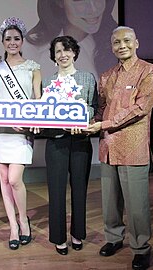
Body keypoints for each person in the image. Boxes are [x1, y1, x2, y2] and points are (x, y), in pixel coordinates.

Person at [85, 26, 153, 270]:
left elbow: (140, 108)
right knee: (110, 202)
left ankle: (141, 248)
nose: (122, 45)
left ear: (136, 43)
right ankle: (114, 238)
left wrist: (102, 124)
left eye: (127, 41)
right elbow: (101, 108)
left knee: (136, 205)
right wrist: (86, 121)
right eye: (117, 42)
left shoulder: (149, 72)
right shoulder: (106, 75)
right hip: (108, 147)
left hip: (133, 148)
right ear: (111, 46)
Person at [40, 36, 97, 255]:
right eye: (58, 51)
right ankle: (58, 238)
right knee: (56, 191)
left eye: (67, 50)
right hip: (56, 142)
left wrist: (81, 119)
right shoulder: (47, 82)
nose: (63, 54)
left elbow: (93, 106)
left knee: (80, 189)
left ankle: (77, 234)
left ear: (74, 52)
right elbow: (44, 114)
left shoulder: (87, 78)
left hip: (81, 141)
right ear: (53, 56)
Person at [0, 17, 42, 250]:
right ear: (2, 42)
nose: (12, 42)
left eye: (16, 38)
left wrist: (31, 123)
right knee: (3, 179)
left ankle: (23, 220)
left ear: (22, 41)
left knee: (14, 179)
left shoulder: (33, 68)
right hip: (1, 130)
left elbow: (37, 101)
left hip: (21, 131)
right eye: (8, 39)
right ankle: (13, 226)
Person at [24, 0, 117, 80]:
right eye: (80, 0)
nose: (93, 9)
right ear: (60, 2)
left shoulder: (117, 44)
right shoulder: (30, 52)